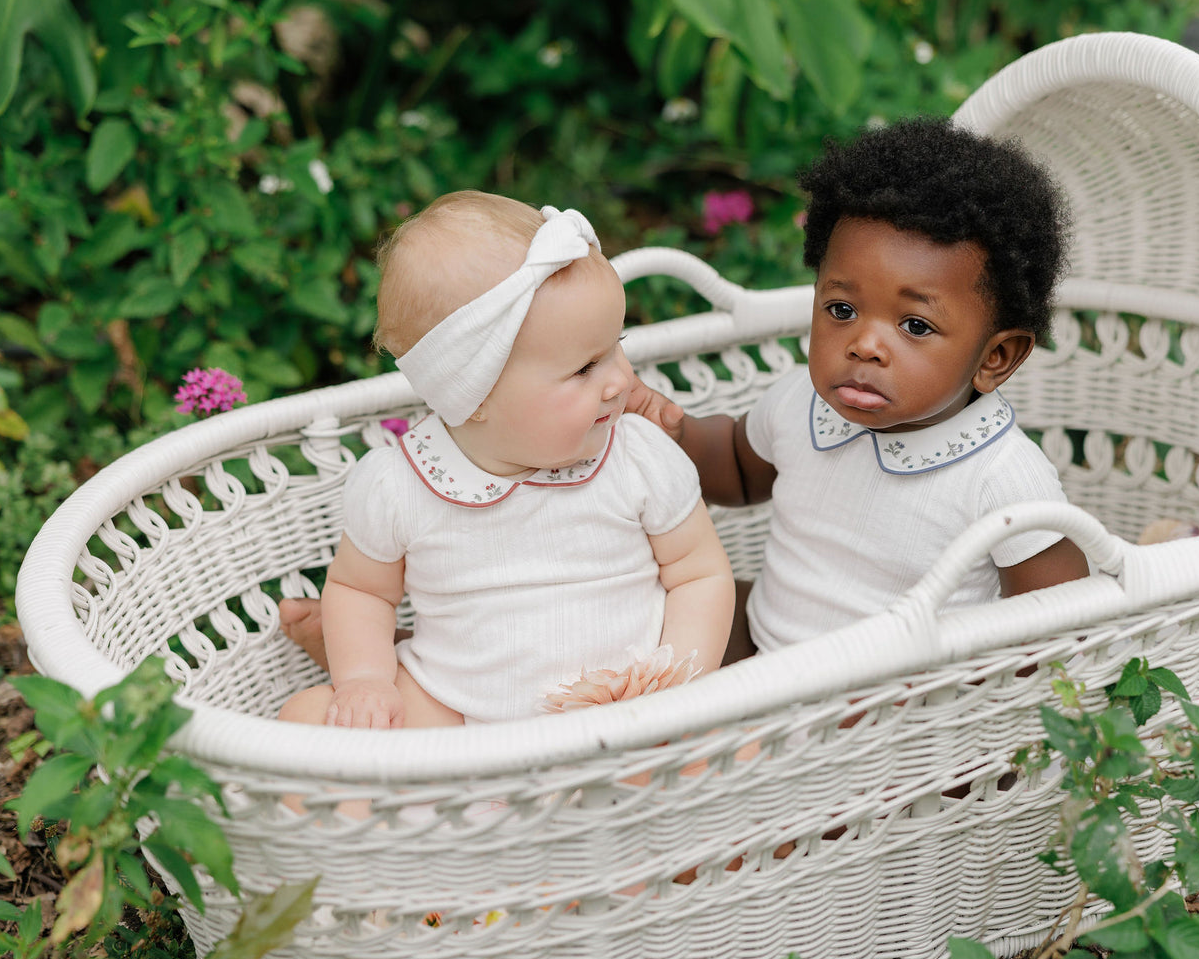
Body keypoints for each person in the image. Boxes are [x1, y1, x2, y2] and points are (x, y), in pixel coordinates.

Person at [628, 116, 1088, 659]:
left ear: (995, 357)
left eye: (915, 326)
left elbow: (1060, 617)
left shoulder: (999, 476)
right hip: (762, 646)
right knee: (652, 616)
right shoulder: (801, 401)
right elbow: (733, 466)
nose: (864, 344)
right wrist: (674, 434)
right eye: (842, 310)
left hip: (885, 706)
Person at [277, 192, 734, 730]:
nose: (621, 380)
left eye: (617, 345)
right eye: (586, 368)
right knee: (306, 717)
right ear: (475, 399)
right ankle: (449, 806)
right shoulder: (400, 484)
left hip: (618, 715)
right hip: (455, 717)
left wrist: (678, 688)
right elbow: (361, 590)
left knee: (742, 741)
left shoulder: (637, 457)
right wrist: (365, 680)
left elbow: (699, 573)